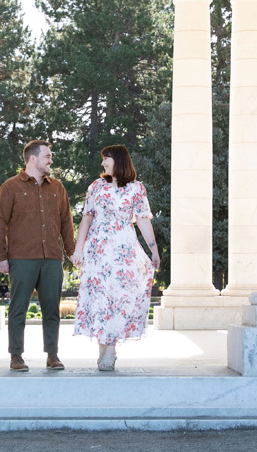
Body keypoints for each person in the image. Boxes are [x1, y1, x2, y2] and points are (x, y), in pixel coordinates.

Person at [0, 138, 78, 372]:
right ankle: (16, 356)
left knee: (52, 309)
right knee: (18, 308)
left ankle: (52, 355)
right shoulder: (10, 186)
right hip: (21, 257)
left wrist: (72, 251)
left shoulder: (57, 187)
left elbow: (66, 222)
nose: (51, 160)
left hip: (52, 257)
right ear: (33, 159)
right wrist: (1, 256)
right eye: (47, 156)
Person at [72, 143, 159, 372]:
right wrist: (78, 249)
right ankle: (105, 346)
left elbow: (143, 219)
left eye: (106, 159)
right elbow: (86, 219)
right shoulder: (96, 187)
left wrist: (154, 249)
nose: (103, 163)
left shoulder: (136, 189)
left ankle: (110, 348)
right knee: (100, 297)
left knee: (119, 297)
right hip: (98, 250)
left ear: (118, 160)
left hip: (123, 250)